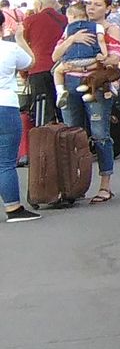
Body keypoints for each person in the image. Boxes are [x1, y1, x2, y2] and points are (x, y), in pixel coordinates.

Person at [50, 0, 120, 204]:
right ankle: (73, 185)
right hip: (71, 82)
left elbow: (116, 58)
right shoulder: (72, 28)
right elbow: (55, 55)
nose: (91, 7)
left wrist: (93, 61)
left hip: (96, 84)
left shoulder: (110, 29)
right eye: (90, 3)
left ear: (107, 9)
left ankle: (105, 186)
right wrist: (72, 39)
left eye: (97, 4)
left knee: (100, 134)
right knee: (71, 134)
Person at [2, 33, 40, 221]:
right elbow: (30, 62)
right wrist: (20, 39)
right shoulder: (10, 49)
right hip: (5, 106)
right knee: (5, 162)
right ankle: (13, 208)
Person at [19, 0, 65, 126]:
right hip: (62, 69)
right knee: (64, 110)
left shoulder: (30, 21)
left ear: (39, 5)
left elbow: (23, 46)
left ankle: (45, 138)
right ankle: (68, 137)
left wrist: (23, 72)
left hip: (38, 69)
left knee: (43, 113)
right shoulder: (65, 20)